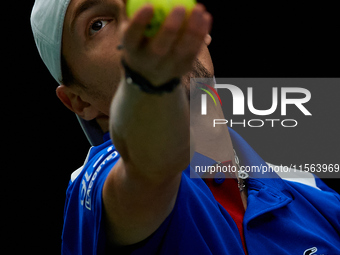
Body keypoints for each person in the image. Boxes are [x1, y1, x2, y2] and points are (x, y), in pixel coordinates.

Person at [31, 0, 340, 254]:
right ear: (78, 101)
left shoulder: (312, 191)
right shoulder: (99, 181)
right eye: (97, 24)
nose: (144, 22)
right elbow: (147, 169)